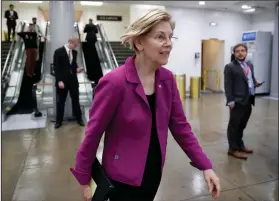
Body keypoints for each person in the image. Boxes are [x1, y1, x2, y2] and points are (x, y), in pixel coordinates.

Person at [70, 9, 220, 201]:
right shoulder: (114, 83)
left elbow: (181, 127)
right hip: (120, 180)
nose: (168, 44)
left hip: (153, 173)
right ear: (139, 42)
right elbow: (93, 134)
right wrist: (84, 180)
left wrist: (205, 165)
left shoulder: (167, 79)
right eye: (160, 37)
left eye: (170, 37)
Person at [224, 43, 263, 159]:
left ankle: (240, 145)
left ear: (246, 52)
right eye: (237, 51)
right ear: (234, 53)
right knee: (234, 126)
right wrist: (230, 101)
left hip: (249, 100)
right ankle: (232, 149)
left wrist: (256, 83)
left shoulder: (249, 65)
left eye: (243, 50)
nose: (240, 53)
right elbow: (227, 85)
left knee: (242, 125)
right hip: (237, 101)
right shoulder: (230, 67)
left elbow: (250, 79)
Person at [53, 36, 85, 129]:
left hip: (73, 81)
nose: (75, 46)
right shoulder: (58, 52)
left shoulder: (74, 52)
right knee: (61, 102)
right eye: (75, 44)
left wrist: (77, 69)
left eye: (76, 45)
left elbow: (73, 65)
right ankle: (59, 121)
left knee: (76, 101)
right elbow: (56, 68)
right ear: (70, 42)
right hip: (62, 82)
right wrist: (59, 81)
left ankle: (79, 119)